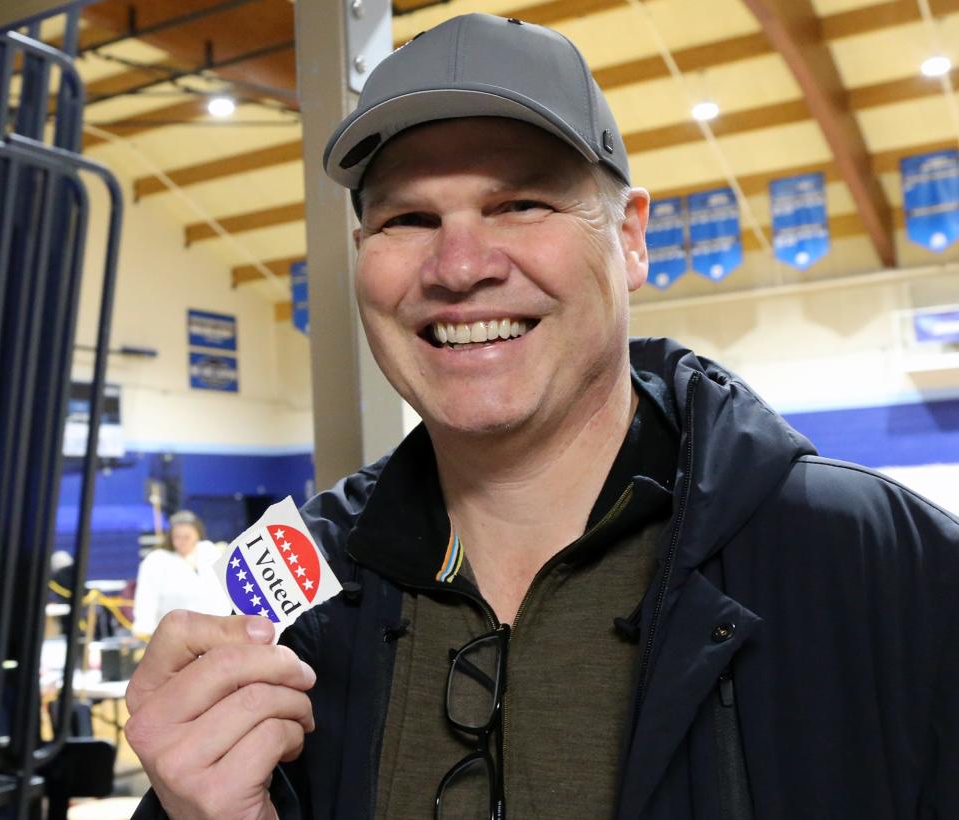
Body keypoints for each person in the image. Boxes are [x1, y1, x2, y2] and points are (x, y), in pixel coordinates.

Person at [125, 14, 959, 819]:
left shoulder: (885, 569)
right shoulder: (301, 608)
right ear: (359, 260)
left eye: (521, 203)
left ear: (632, 238)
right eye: (409, 219)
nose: (459, 267)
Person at [131, 510, 230, 637]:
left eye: (187, 537)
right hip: (176, 634)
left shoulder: (209, 552)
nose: (182, 542)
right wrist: (143, 628)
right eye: (177, 537)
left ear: (197, 534)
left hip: (214, 630)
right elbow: (146, 597)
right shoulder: (156, 561)